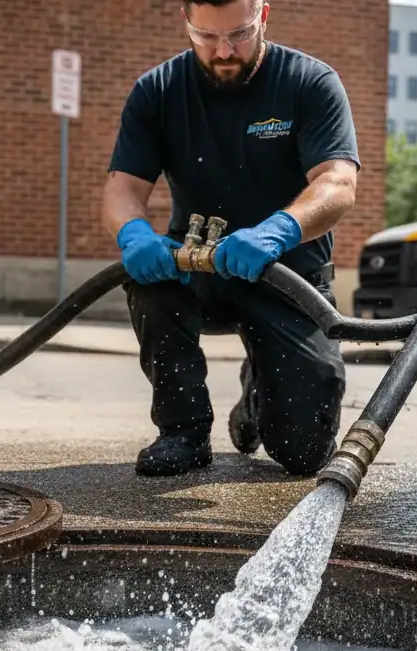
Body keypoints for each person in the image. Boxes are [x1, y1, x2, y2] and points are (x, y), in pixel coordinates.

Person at [101, 0, 361, 478]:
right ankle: (182, 432)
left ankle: (261, 384)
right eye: (206, 37)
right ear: (186, 23)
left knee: (303, 454)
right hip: (199, 271)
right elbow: (123, 188)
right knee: (147, 285)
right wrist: (134, 233)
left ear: (263, 16)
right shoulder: (158, 90)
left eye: (239, 34)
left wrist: (278, 230)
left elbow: (338, 182)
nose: (224, 51)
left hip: (288, 276)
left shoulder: (309, 82)